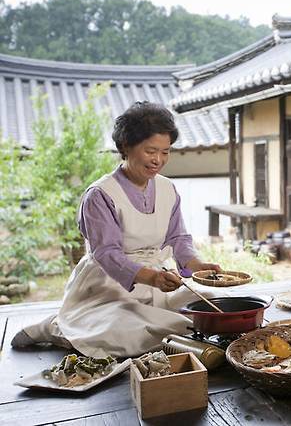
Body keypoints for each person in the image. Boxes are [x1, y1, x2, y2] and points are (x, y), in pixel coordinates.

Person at [12, 102, 221, 358]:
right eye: (150, 151)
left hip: (156, 284)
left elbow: (178, 238)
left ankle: (103, 325)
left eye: (165, 152)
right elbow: (107, 254)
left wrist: (196, 265)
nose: (158, 160)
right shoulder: (100, 194)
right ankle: (57, 327)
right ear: (125, 147)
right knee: (132, 333)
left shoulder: (168, 189)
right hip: (107, 287)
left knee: (209, 306)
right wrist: (151, 278)